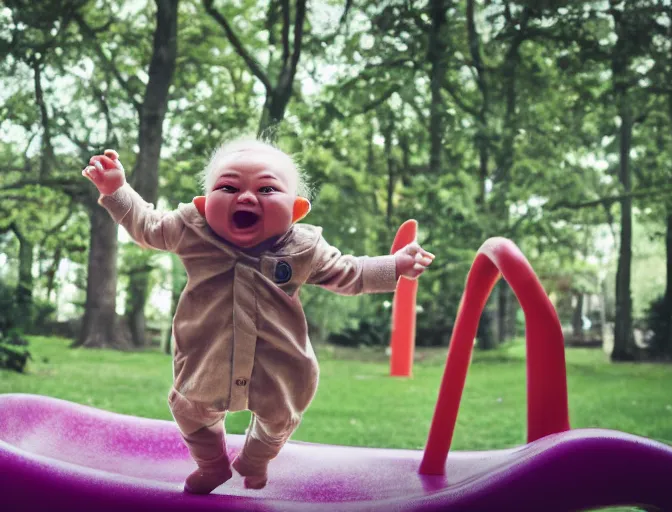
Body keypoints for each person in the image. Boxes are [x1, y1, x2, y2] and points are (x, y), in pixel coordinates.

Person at [81, 137, 435, 494]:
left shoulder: (304, 248)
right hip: (207, 358)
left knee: (278, 419)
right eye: (228, 186)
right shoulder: (192, 230)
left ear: (296, 210)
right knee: (190, 411)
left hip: (280, 364)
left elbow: (349, 272)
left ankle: (255, 459)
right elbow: (148, 226)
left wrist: (395, 266)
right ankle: (212, 465)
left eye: (267, 188)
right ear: (204, 206)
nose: (246, 197)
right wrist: (117, 190)